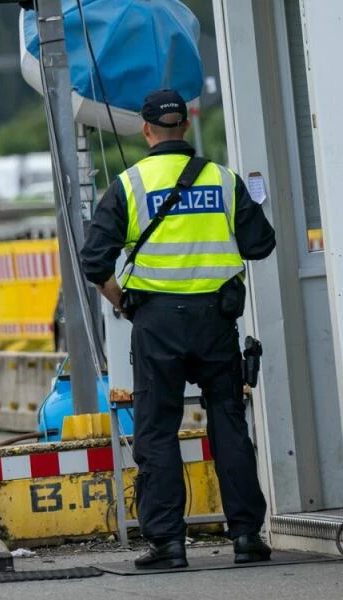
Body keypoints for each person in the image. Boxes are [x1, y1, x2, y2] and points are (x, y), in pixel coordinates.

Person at [81, 89, 275, 570]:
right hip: (216, 322)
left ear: (146, 130)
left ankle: (168, 543)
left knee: (157, 432)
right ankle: (247, 535)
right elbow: (261, 245)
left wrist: (122, 302)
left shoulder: (129, 184)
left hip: (157, 325)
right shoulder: (225, 180)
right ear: (186, 125)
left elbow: (93, 261)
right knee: (228, 423)